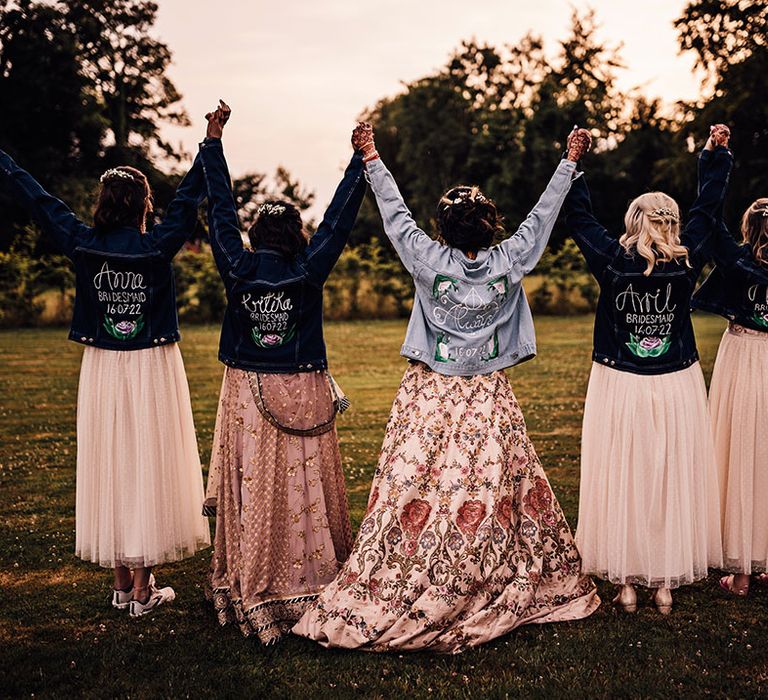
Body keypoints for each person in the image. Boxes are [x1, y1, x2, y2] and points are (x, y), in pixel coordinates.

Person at [293, 122, 599, 654]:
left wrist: (371, 155)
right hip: (485, 395)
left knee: (416, 487)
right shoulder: (512, 259)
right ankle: (478, 571)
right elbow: (544, 215)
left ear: (444, 227)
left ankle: (418, 568)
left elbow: (393, 213)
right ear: (489, 225)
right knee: (489, 489)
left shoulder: (426, 258)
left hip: (430, 392)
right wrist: (569, 160)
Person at [0, 110, 217, 617]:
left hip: (103, 367)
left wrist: (5, 161)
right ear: (144, 205)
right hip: (151, 364)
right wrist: (210, 139)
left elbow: (38, 199)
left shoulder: (83, 243)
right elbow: (189, 199)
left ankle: (123, 586)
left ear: (101, 204)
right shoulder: (157, 245)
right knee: (147, 463)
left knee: (114, 464)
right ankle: (143, 589)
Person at [562, 125, 747, 615]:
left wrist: (574, 163)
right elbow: (708, 210)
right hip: (674, 381)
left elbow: (579, 217)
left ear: (633, 221)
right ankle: (664, 585)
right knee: (666, 476)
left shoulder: (610, 257)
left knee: (624, 473)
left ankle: (625, 585)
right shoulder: (687, 262)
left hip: (619, 381)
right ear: (670, 224)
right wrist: (714, 157)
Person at [198, 105, 366, 644]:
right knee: (303, 483)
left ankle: (255, 576)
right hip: (304, 385)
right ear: (296, 234)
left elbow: (220, 211)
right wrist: (359, 162)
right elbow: (339, 220)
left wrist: (214, 141)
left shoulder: (237, 266)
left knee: (256, 484)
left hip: (247, 391)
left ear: (256, 235)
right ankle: (311, 576)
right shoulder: (309, 269)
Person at [692, 201, 768, 596]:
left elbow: (709, 221)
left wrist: (715, 162)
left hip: (742, 353)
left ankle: (741, 574)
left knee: (741, 452)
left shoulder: (737, 260)